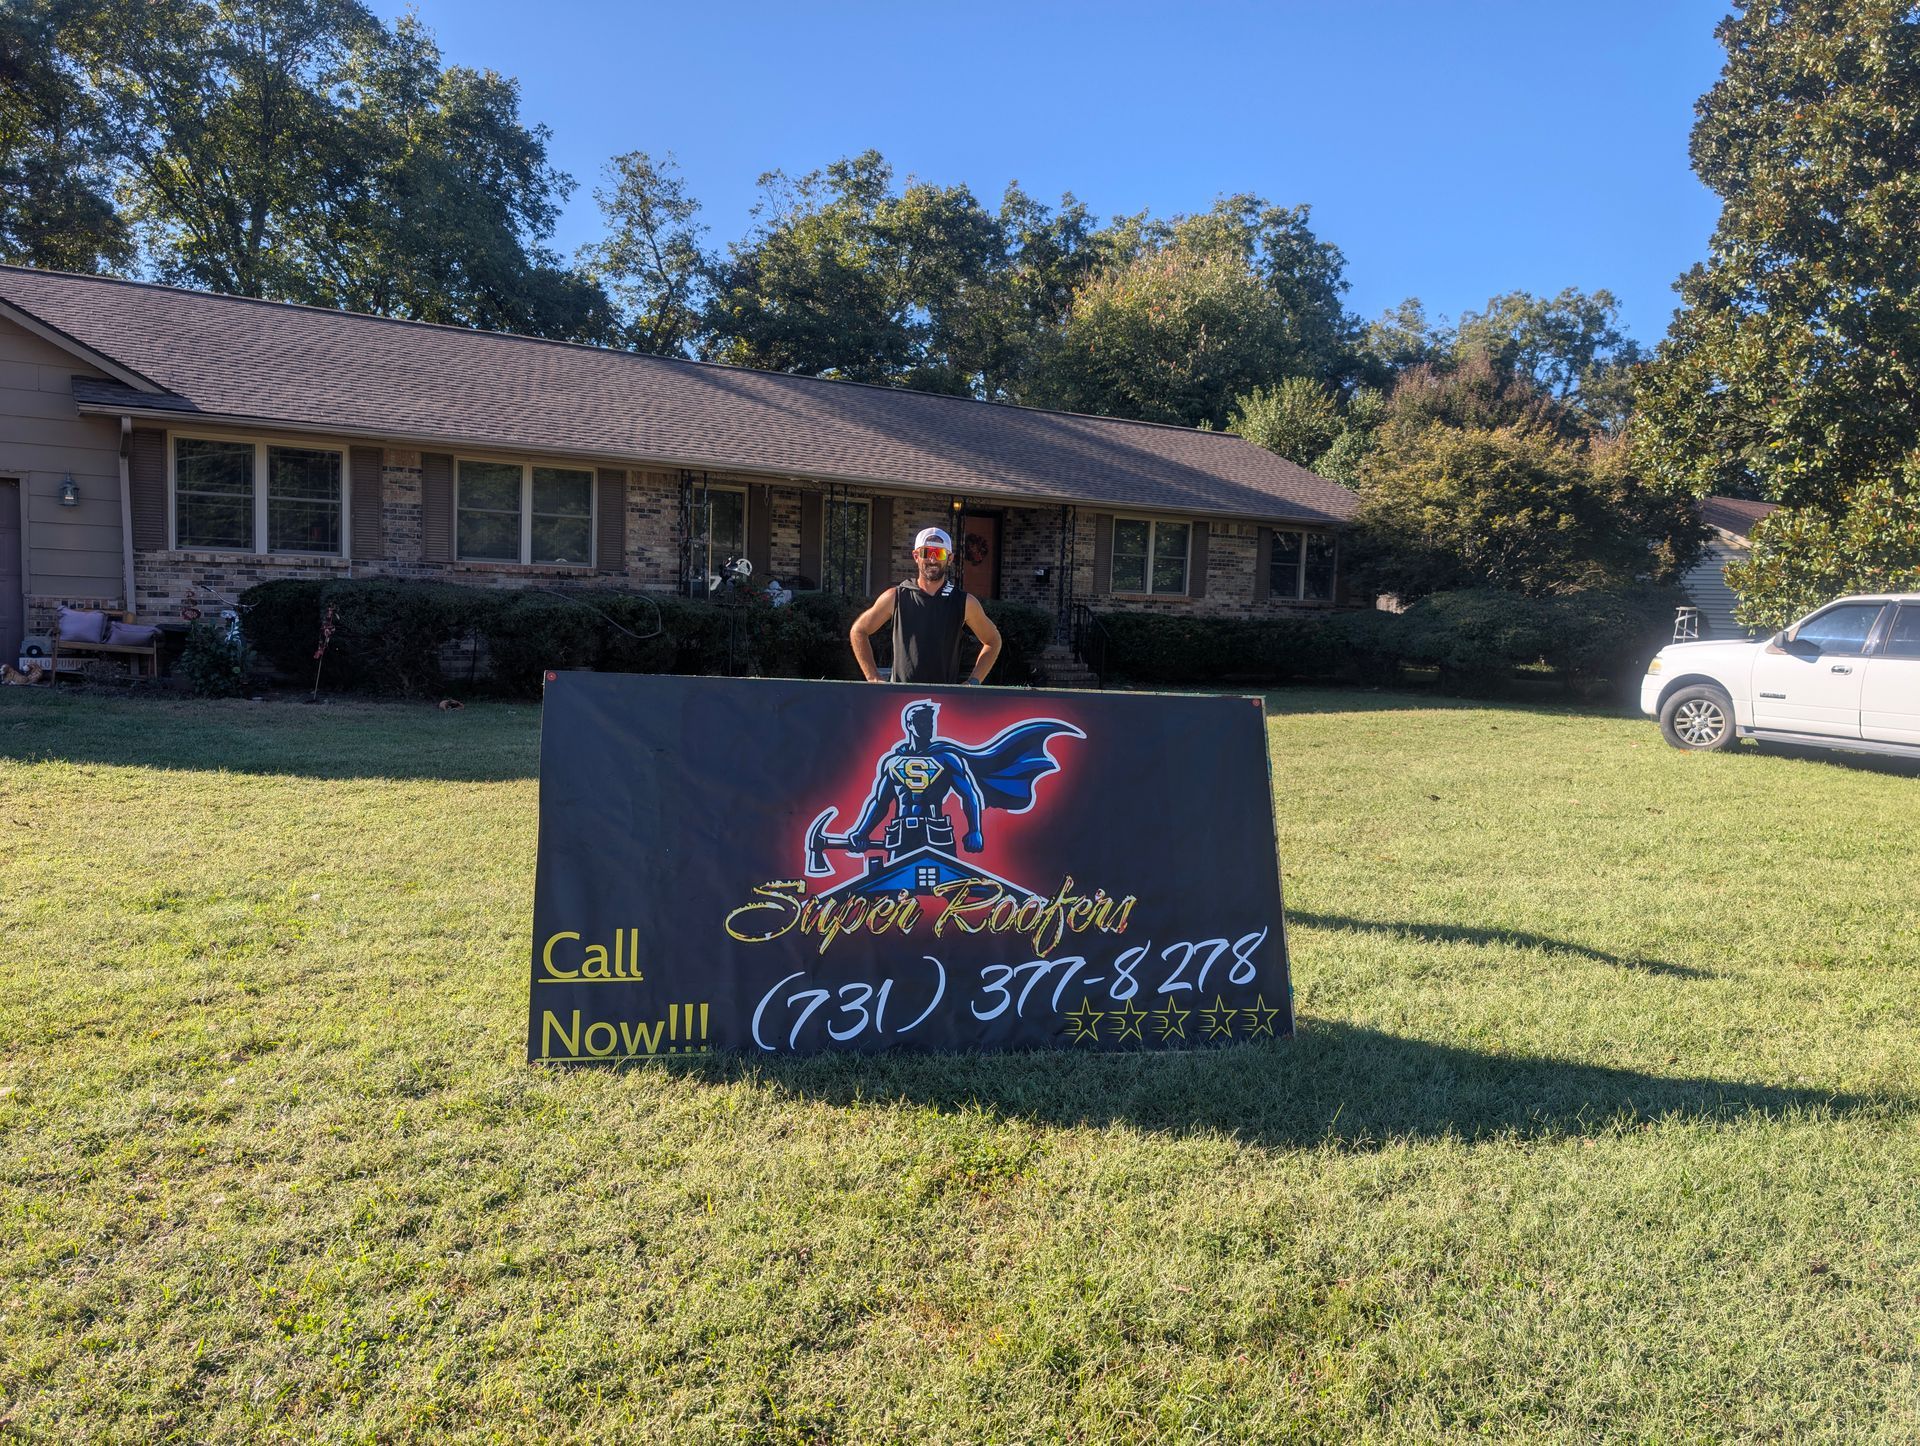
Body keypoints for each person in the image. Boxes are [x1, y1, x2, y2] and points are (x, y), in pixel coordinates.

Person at [849, 526, 1002, 685]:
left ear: (950, 558)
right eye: (927, 552)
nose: (933, 559)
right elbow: (859, 630)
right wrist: (873, 677)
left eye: (940, 553)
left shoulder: (964, 602)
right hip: (900, 700)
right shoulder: (895, 597)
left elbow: (993, 640)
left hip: (946, 700)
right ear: (916, 556)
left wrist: (974, 681)